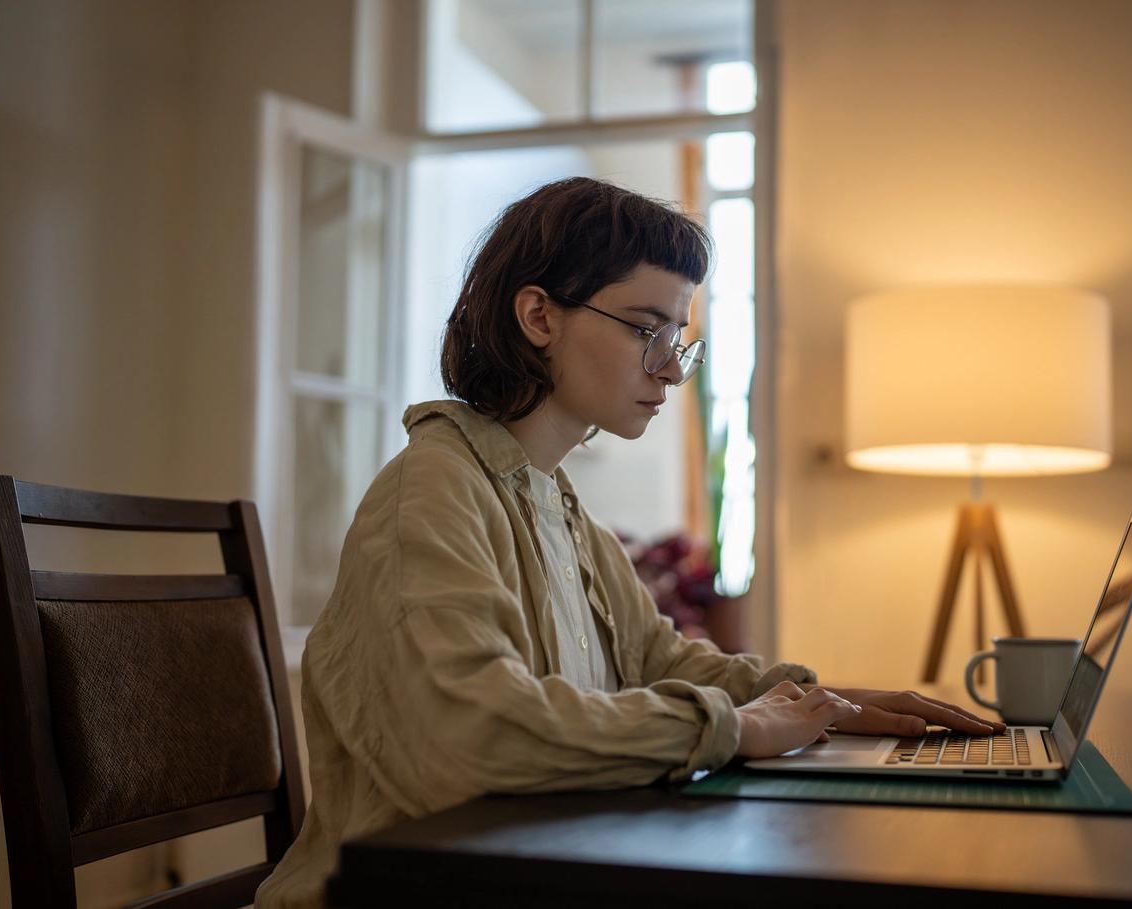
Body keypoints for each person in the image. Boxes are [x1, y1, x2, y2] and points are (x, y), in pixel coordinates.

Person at [255, 176, 1003, 908]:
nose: (673, 369)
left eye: (678, 338)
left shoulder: (558, 504)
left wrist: (823, 699)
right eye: (647, 330)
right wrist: (736, 728)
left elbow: (659, 661)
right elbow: (475, 733)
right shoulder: (434, 490)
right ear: (539, 316)